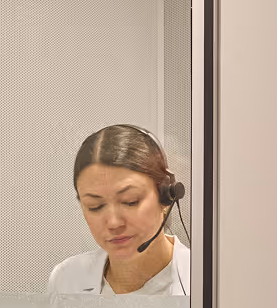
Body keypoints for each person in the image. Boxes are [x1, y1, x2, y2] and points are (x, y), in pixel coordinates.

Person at [48, 124, 190, 296]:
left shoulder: (204, 281)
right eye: (95, 206)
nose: (114, 223)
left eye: (130, 201)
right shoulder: (67, 279)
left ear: (166, 197)